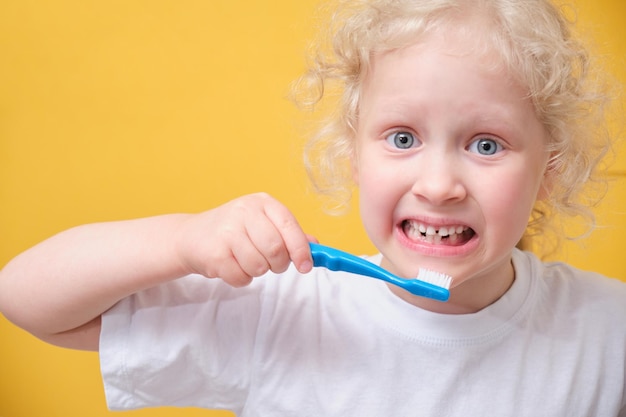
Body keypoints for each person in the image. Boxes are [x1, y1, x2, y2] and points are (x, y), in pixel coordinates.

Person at [0, 0, 624, 415]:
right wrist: (182, 240)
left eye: (485, 144)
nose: (438, 185)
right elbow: (25, 299)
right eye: (402, 138)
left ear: (551, 169)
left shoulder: (605, 331)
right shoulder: (284, 314)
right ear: (353, 156)